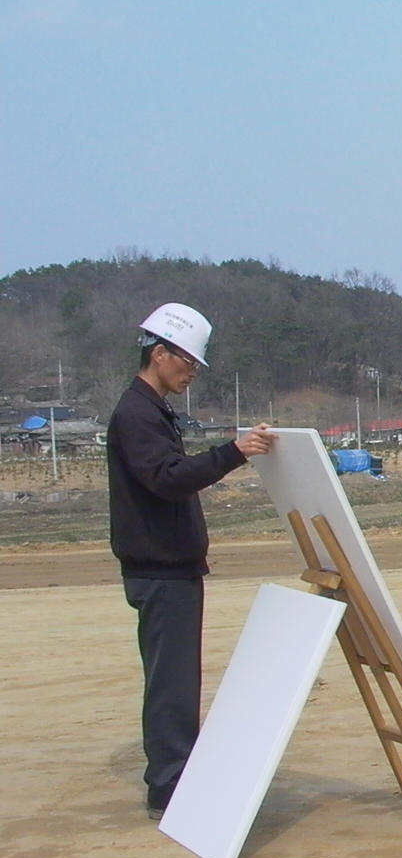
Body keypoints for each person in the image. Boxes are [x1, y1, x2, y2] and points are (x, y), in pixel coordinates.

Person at [106, 303, 276, 820]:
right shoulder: (136, 414)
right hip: (159, 568)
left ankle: (176, 775)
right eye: (187, 363)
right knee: (172, 684)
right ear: (159, 354)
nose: (191, 373)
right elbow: (168, 478)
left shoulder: (150, 410)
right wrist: (235, 451)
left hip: (168, 566)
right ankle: (170, 786)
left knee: (176, 680)